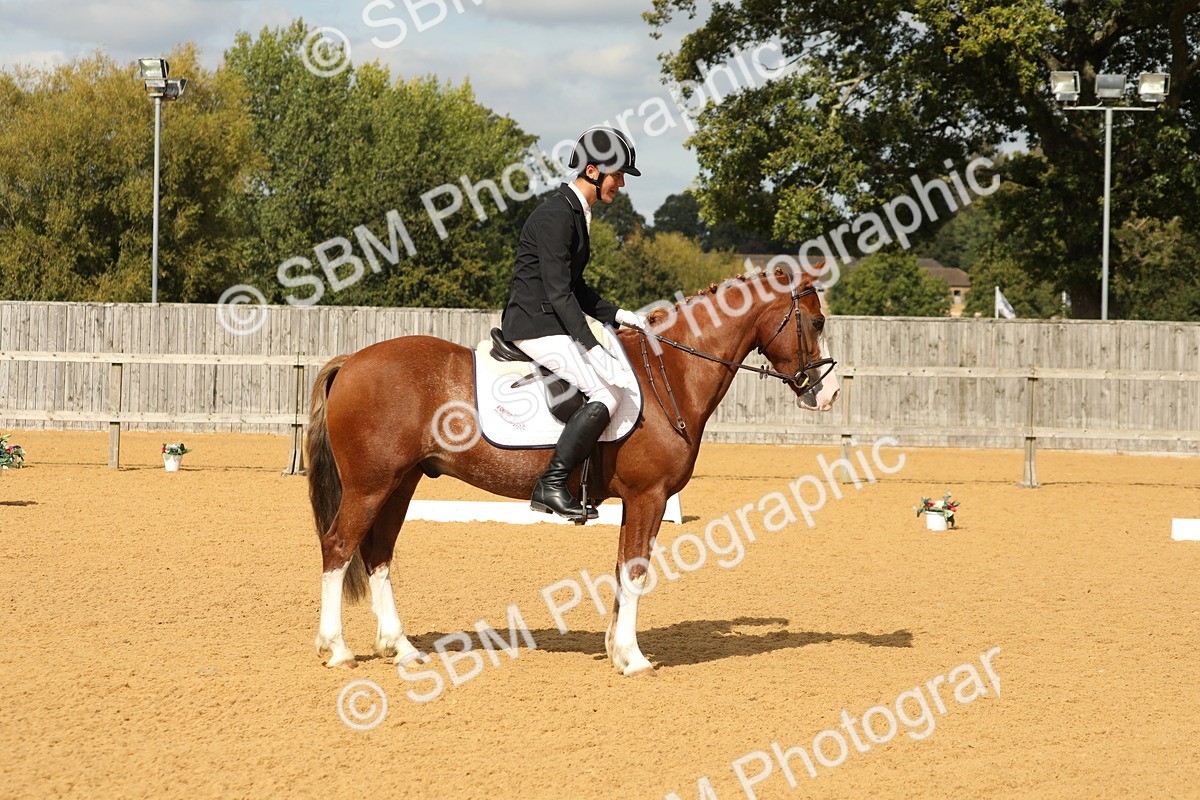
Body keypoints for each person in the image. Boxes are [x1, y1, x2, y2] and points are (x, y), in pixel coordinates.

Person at [500, 126, 648, 521]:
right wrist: (593, 347)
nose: (620, 184)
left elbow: (574, 286)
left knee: (609, 387)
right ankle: (551, 484)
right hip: (533, 323)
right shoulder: (556, 215)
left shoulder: (575, 213)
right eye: (617, 175)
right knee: (606, 393)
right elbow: (557, 293)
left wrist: (616, 314)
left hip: (549, 319)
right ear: (595, 170)